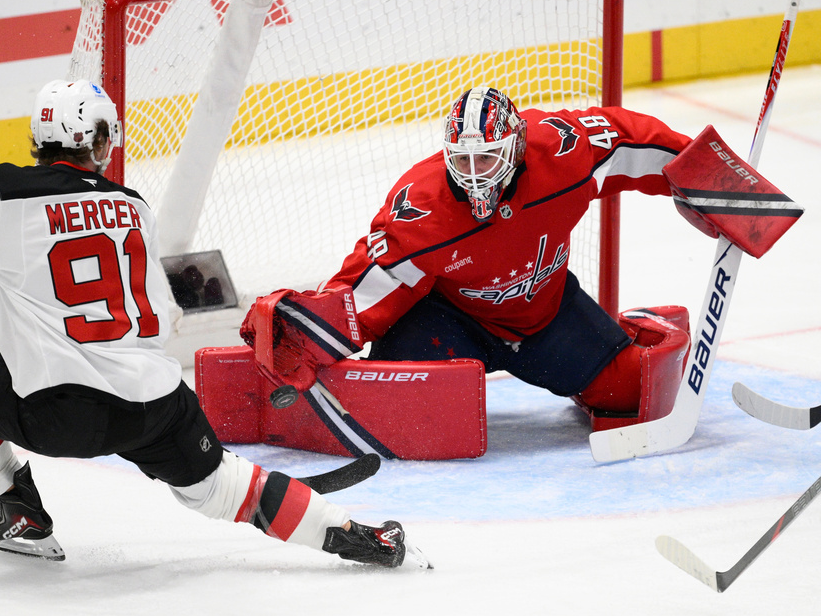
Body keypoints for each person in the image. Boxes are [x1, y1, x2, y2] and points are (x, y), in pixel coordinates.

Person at [0, 79, 429, 569]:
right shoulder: (133, 206)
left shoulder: (4, 194)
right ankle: (355, 536)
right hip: (156, 403)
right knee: (222, 488)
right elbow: (155, 314)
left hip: (61, 414)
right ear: (98, 140)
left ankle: (20, 510)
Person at [241, 86, 699, 427]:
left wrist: (701, 172)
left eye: (488, 158)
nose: (475, 174)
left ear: (517, 146)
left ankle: (644, 324)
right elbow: (366, 289)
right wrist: (302, 330)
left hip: (546, 316)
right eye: (464, 160)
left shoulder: (563, 152)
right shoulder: (421, 209)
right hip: (451, 325)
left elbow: (627, 140)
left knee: (633, 393)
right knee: (396, 415)